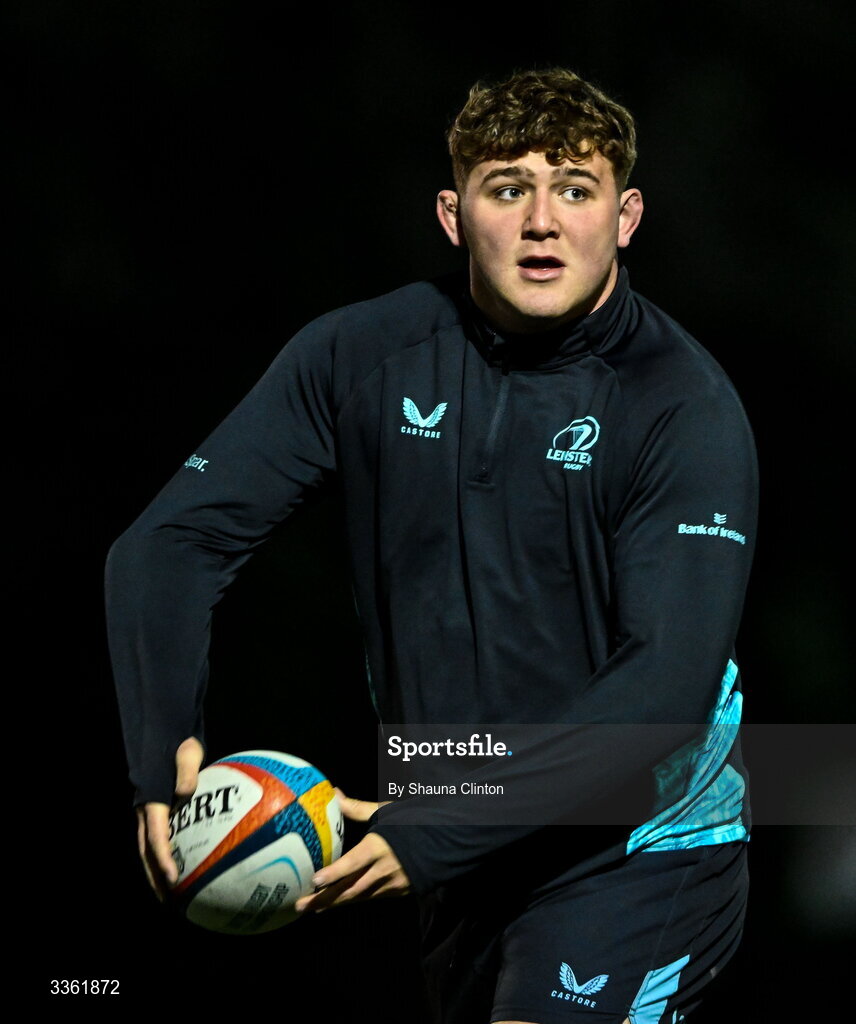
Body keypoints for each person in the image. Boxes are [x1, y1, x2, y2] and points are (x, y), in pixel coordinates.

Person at [106, 68, 758, 1023]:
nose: (542, 222)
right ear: (455, 217)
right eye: (508, 189)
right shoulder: (359, 356)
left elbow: (665, 692)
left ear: (625, 219)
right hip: (455, 846)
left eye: (575, 190)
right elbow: (170, 542)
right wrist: (161, 755)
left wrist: (444, 824)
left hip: (639, 847)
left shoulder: (682, 405)